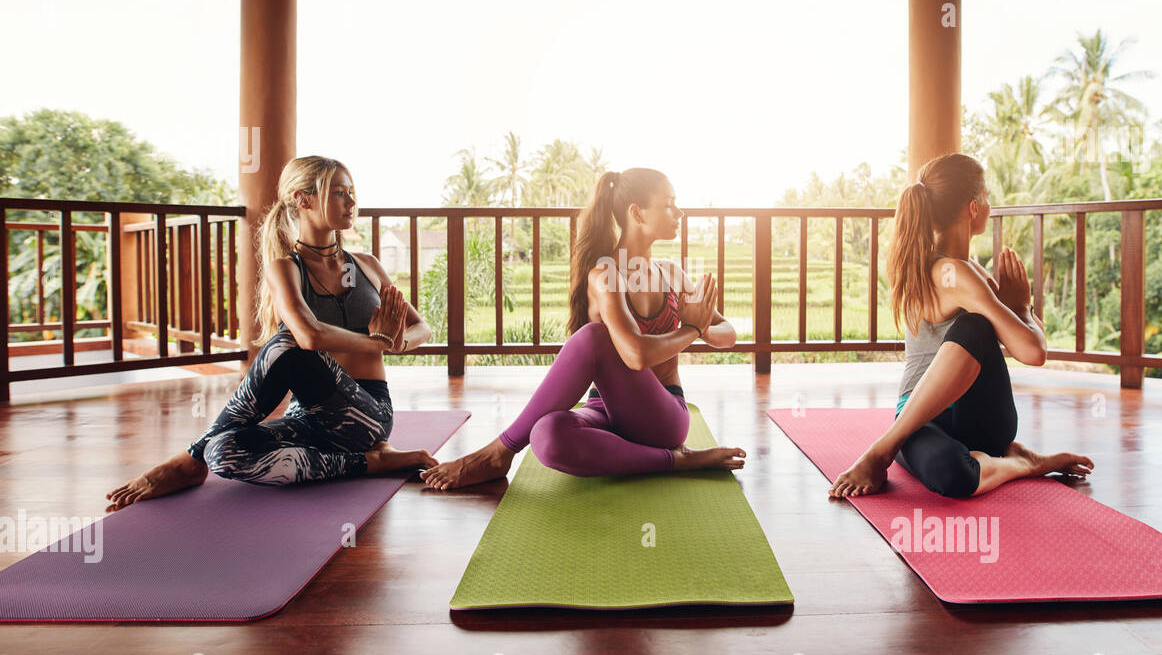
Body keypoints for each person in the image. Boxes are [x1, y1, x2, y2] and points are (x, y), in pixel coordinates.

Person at [106, 156, 437, 510]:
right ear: (303, 199)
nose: (352, 203)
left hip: (366, 418)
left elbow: (423, 328)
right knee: (223, 452)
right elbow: (309, 336)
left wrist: (397, 343)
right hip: (305, 417)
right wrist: (377, 342)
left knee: (284, 346)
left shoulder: (367, 265)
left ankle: (189, 459)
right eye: (340, 193)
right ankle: (371, 463)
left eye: (352, 192)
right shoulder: (285, 269)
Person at [420, 167, 746, 490]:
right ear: (637, 212)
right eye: (669, 204)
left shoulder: (671, 273)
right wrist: (692, 329)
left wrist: (698, 327)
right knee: (546, 435)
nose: (680, 212)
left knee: (594, 336)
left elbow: (725, 333)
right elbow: (636, 353)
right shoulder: (606, 276)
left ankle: (497, 453)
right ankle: (676, 461)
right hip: (602, 411)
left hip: (662, 418)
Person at [828, 152, 1094, 499]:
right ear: (973, 207)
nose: (988, 205)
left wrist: (1018, 308)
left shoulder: (965, 274)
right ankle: (1017, 461)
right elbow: (1032, 348)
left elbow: (1030, 352)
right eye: (986, 197)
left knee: (975, 326)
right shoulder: (956, 273)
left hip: (979, 419)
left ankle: (887, 449)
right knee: (951, 476)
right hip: (919, 417)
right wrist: (1021, 309)